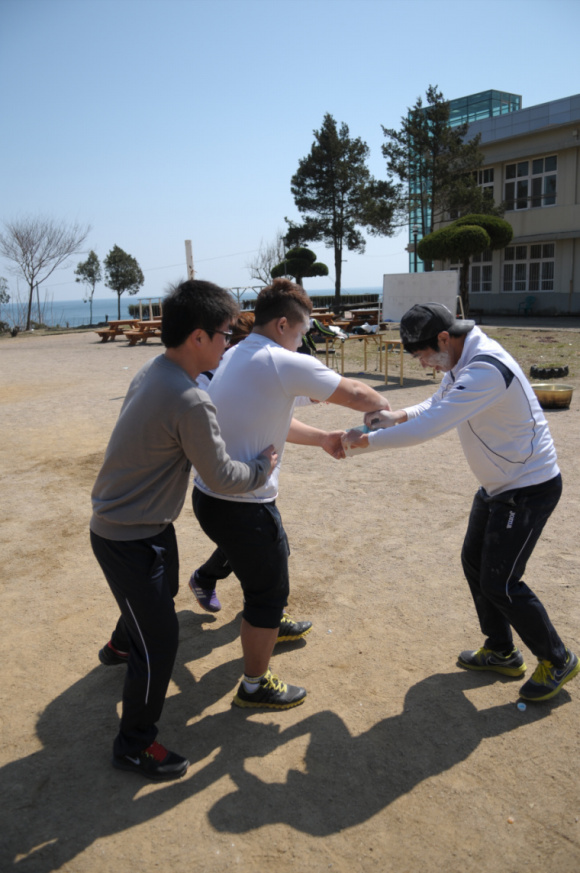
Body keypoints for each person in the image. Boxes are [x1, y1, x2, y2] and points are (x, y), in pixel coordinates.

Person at [344, 302, 579, 703]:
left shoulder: (485, 368)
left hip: (527, 488)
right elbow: (437, 403)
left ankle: (558, 659)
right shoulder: (459, 359)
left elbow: (432, 425)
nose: (423, 364)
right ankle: (501, 651)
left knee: (501, 582)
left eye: (423, 355)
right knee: (474, 563)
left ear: (443, 338)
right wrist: (397, 415)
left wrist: (363, 442)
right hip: (497, 485)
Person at [90, 279, 277, 781]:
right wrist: (263, 466)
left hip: (141, 526)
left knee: (158, 599)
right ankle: (134, 745)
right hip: (128, 535)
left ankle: (120, 645)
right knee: (161, 640)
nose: (229, 344)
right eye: (225, 334)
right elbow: (222, 476)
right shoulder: (190, 398)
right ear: (198, 337)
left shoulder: (156, 369)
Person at [192, 278, 390, 710]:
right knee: (266, 594)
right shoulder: (279, 358)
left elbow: (271, 420)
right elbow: (358, 393)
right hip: (241, 503)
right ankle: (254, 685)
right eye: (301, 333)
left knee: (273, 556)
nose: (302, 343)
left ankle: (271, 624)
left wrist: (322, 438)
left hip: (212, 496)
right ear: (283, 325)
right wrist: (387, 412)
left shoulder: (238, 353)